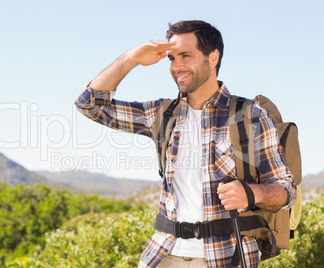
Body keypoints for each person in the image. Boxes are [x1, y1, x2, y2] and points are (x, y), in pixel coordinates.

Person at [75, 20, 296, 268]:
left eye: (185, 55)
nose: (176, 66)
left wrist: (251, 193)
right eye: (171, 58)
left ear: (213, 58)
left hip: (227, 258)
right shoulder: (162, 114)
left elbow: (286, 192)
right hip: (162, 255)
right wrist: (130, 59)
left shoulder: (250, 116)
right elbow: (89, 104)